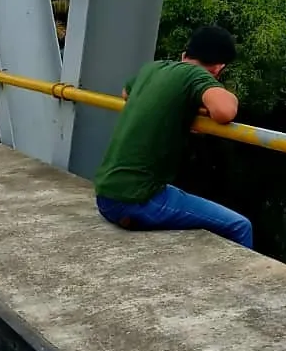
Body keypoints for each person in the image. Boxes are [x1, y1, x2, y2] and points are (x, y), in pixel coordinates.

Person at [92, 25, 254, 248]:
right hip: (135, 202)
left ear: (184, 55)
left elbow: (126, 92)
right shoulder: (196, 75)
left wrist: (180, 112)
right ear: (218, 69)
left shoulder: (153, 69)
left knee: (179, 195)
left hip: (106, 195)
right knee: (240, 226)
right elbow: (225, 110)